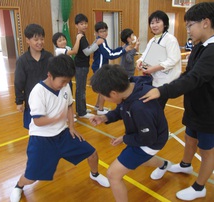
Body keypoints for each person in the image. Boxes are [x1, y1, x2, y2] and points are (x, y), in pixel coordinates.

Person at [10, 54, 110, 202]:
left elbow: (69, 105)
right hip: (42, 139)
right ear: (50, 75)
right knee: (31, 178)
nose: (65, 84)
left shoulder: (64, 87)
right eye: (63, 81)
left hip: (63, 134)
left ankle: (94, 174)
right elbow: (37, 121)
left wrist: (71, 126)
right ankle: (18, 186)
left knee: (92, 154)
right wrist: (56, 118)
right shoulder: (38, 92)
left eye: (68, 81)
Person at [140, 2, 214, 201]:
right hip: (194, 107)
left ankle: (200, 188)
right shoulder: (199, 47)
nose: (188, 29)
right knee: (190, 137)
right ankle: (185, 164)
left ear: (206, 23)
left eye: (190, 25)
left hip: (209, 112)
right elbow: (187, 74)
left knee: (207, 151)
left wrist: (161, 91)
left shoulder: (212, 50)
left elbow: (193, 78)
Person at [89, 64, 170, 202]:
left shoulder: (140, 107)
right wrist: (105, 117)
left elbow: (148, 139)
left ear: (114, 93)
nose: (103, 98)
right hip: (143, 135)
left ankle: (163, 165)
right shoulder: (129, 88)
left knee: (113, 174)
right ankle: (164, 164)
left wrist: (125, 138)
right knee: (140, 160)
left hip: (151, 141)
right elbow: (121, 109)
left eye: (103, 96)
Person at [136, 10, 182, 109]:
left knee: (156, 108)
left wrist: (153, 69)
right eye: (152, 23)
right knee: (153, 107)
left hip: (165, 81)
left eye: (157, 22)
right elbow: (145, 55)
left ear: (165, 24)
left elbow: (172, 60)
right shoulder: (153, 40)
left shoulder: (170, 39)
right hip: (154, 79)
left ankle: (156, 124)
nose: (154, 25)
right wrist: (139, 61)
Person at [14, 24, 53, 130]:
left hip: (48, 99)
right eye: (36, 39)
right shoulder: (22, 60)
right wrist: (19, 102)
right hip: (32, 101)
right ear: (28, 40)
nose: (40, 42)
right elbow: (19, 82)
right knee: (34, 128)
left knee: (49, 127)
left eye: (42, 39)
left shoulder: (49, 57)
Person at [91, 22, 133, 115]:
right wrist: (124, 50)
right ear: (97, 33)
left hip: (99, 67)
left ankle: (98, 105)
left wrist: (120, 48)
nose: (104, 33)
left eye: (105, 31)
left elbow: (110, 51)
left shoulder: (102, 41)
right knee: (103, 89)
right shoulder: (101, 42)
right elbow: (110, 55)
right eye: (101, 31)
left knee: (101, 88)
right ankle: (100, 110)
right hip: (99, 68)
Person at [74, 13, 104, 119]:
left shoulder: (82, 36)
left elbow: (86, 49)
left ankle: (81, 109)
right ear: (76, 26)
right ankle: (82, 112)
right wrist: (97, 43)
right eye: (81, 23)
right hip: (81, 66)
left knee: (80, 88)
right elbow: (87, 52)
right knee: (81, 89)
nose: (84, 25)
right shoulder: (81, 37)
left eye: (86, 23)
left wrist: (94, 43)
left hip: (82, 66)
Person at [52, 32, 83, 122]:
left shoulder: (67, 48)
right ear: (56, 43)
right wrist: (78, 38)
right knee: (63, 95)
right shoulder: (59, 51)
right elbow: (74, 51)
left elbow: (74, 50)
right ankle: (64, 115)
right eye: (60, 41)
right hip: (62, 77)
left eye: (64, 39)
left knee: (69, 94)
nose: (62, 42)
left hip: (68, 76)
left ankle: (69, 113)